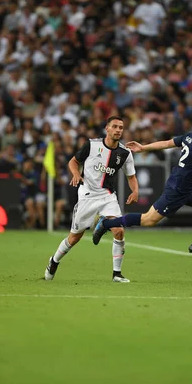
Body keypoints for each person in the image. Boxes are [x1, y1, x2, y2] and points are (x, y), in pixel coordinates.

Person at [90, 106, 192, 264]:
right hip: (177, 189)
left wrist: (144, 147)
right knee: (148, 220)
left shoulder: (191, 137)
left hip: (189, 188)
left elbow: (167, 143)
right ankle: (106, 223)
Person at [44, 116, 139, 283]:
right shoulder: (92, 145)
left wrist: (135, 191)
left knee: (119, 231)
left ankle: (117, 273)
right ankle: (54, 261)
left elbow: (131, 176)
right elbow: (73, 162)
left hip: (108, 196)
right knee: (74, 238)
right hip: (87, 195)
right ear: (107, 128)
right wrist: (75, 173)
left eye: (121, 127)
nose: (118, 130)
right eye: (115, 126)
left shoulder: (125, 153)